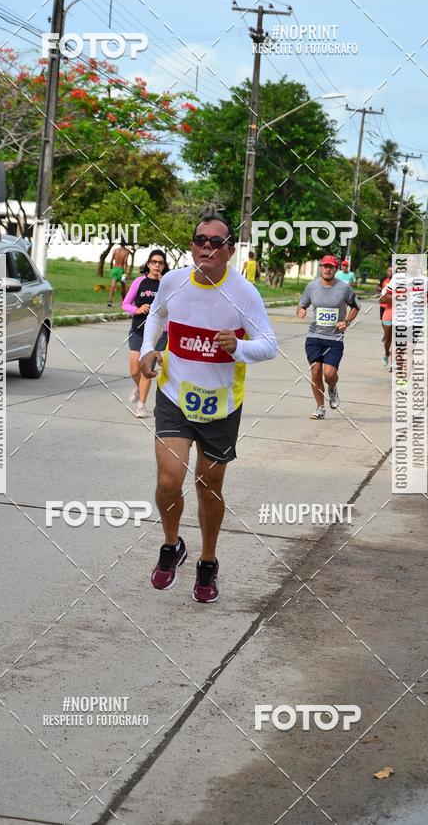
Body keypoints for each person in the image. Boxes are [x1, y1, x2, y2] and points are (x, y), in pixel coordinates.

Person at [140, 215, 277, 603]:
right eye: (200, 240)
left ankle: (208, 561)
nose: (207, 247)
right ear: (192, 245)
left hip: (221, 404)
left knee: (208, 485)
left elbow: (268, 344)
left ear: (230, 250)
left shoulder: (244, 293)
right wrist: (151, 348)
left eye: (217, 242)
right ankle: (171, 546)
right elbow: (156, 316)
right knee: (169, 479)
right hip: (174, 395)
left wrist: (239, 348)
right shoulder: (173, 281)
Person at [297, 254, 360, 419]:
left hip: (334, 338)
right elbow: (302, 304)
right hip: (314, 337)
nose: (327, 269)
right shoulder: (311, 287)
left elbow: (355, 306)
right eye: (325, 266)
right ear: (321, 267)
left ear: (335, 269)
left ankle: (332, 389)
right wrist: (301, 310)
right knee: (316, 372)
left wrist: (346, 321)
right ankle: (320, 408)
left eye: (331, 266)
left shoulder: (344, 287)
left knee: (329, 374)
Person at [122, 250, 169, 418]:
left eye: (160, 263)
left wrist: (166, 285)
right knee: (135, 370)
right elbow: (125, 304)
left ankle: (141, 404)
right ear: (148, 264)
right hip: (138, 329)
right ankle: (138, 385)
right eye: (154, 262)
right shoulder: (139, 282)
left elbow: (174, 306)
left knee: (146, 370)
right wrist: (137, 309)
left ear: (164, 266)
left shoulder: (167, 284)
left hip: (158, 333)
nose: (157, 265)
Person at [107, 241, 130, 307]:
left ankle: (110, 301)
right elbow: (125, 262)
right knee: (123, 287)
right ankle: (123, 302)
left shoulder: (115, 250)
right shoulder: (126, 252)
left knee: (113, 286)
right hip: (121, 270)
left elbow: (111, 261)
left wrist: (112, 269)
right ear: (125, 244)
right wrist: (125, 273)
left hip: (114, 269)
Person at [379, 265, 393, 367]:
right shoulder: (388, 284)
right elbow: (381, 299)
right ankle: (387, 353)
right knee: (388, 339)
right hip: (388, 313)